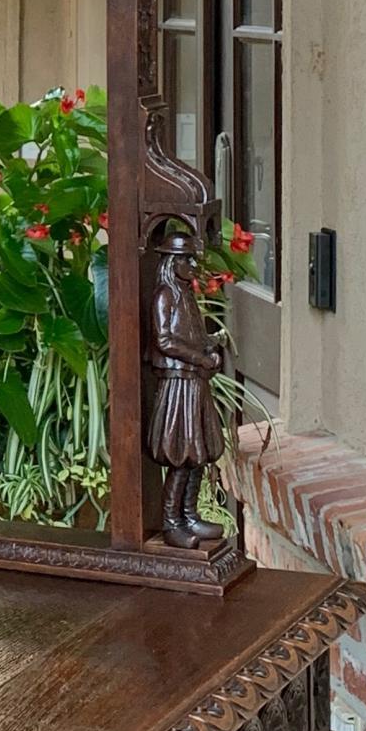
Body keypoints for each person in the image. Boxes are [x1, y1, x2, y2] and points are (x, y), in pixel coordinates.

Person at [147, 225, 227, 549]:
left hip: (194, 381)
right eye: (187, 261)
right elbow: (165, 340)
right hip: (179, 382)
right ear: (173, 262)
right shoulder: (165, 295)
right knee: (181, 454)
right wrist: (198, 357)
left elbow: (189, 335)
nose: (192, 268)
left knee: (199, 454)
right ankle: (172, 522)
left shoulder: (186, 295)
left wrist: (210, 345)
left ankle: (190, 514)